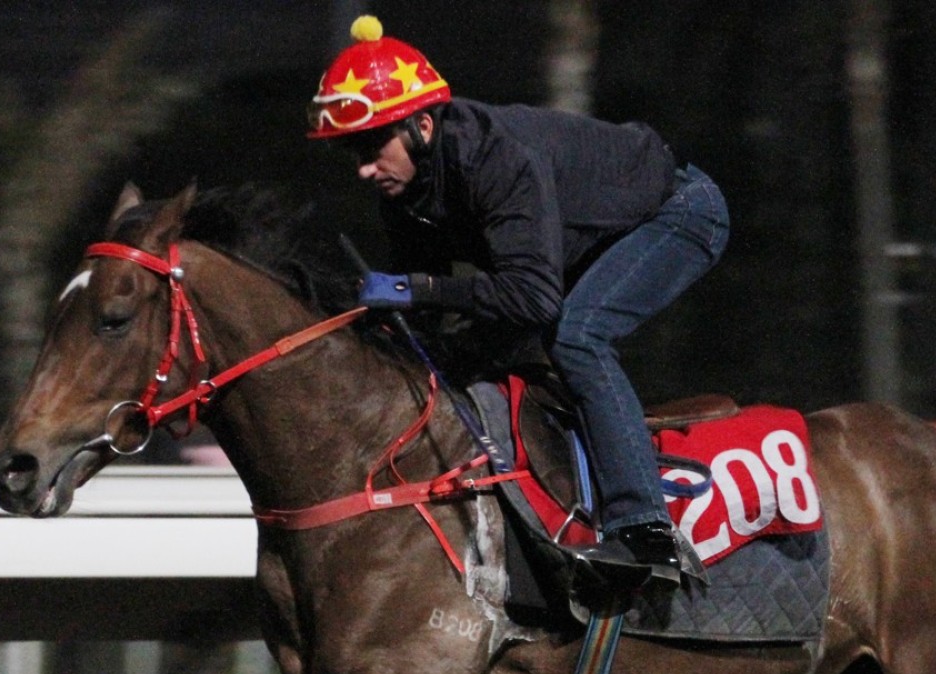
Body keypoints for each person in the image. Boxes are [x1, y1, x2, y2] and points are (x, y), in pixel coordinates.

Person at [306, 17, 729, 584]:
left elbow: (532, 298)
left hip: (677, 214)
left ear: (422, 127)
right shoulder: (405, 188)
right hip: (578, 250)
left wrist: (418, 289)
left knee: (577, 336)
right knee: (470, 355)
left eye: (372, 146)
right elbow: (425, 315)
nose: (363, 168)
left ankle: (647, 530)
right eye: (352, 151)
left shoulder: (496, 159)